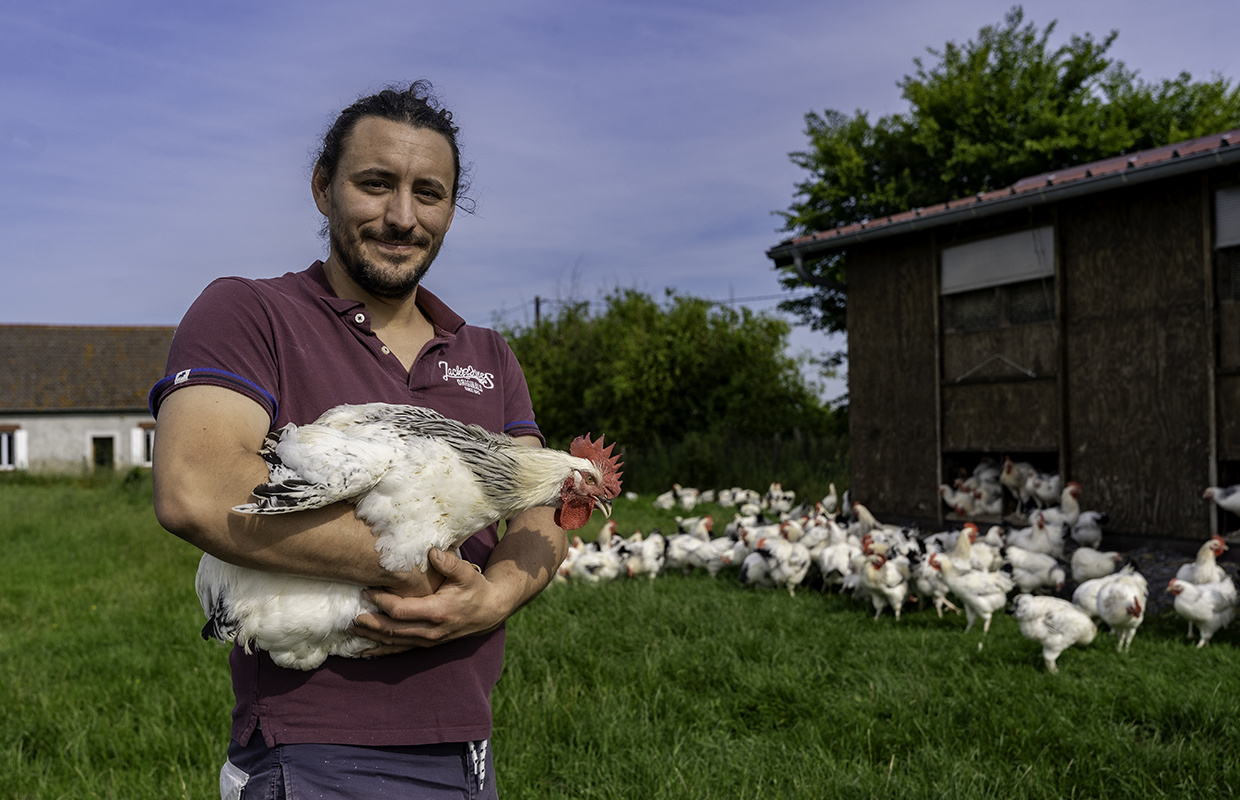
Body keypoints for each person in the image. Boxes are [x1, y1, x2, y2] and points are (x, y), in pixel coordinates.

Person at [150, 81, 566, 799]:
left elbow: (540, 508)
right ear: (323, 188)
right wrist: (416, 569)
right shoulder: (251, 312)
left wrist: (492, 597)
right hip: (312, 751)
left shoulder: (488, 353)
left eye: (429, 193)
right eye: (376, 184)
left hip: (468, 752)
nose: (403, 216)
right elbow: (196, 486)